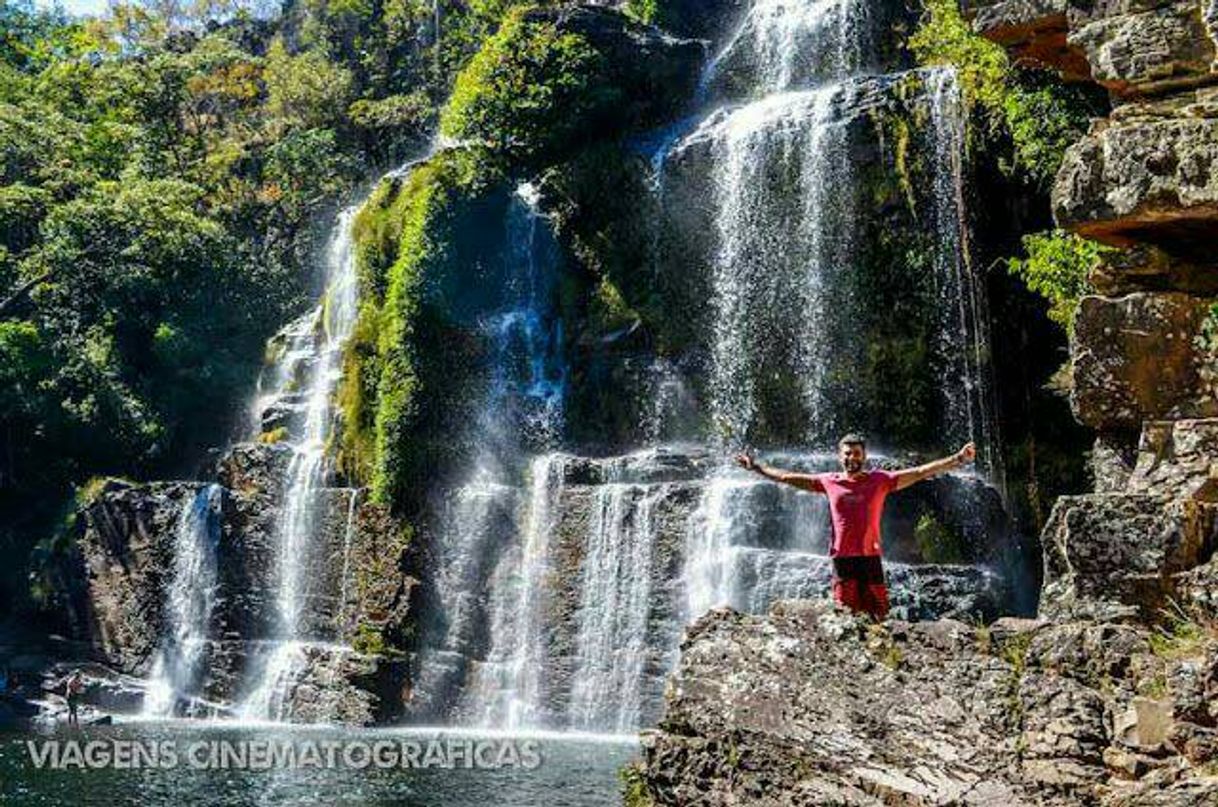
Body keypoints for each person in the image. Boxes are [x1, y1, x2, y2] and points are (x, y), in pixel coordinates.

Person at [736, 433, 976, 620]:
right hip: (843, 560)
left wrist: (958, 459)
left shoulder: (881, 480)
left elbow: (922, 471)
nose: (852, 458)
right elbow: (786, 478)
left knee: (878, 615)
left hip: (870, 558)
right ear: (840, 456)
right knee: (845, 616)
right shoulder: (828, 481)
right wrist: (755, 467)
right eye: (848, 454)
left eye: (857, 453)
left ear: (864, 456)